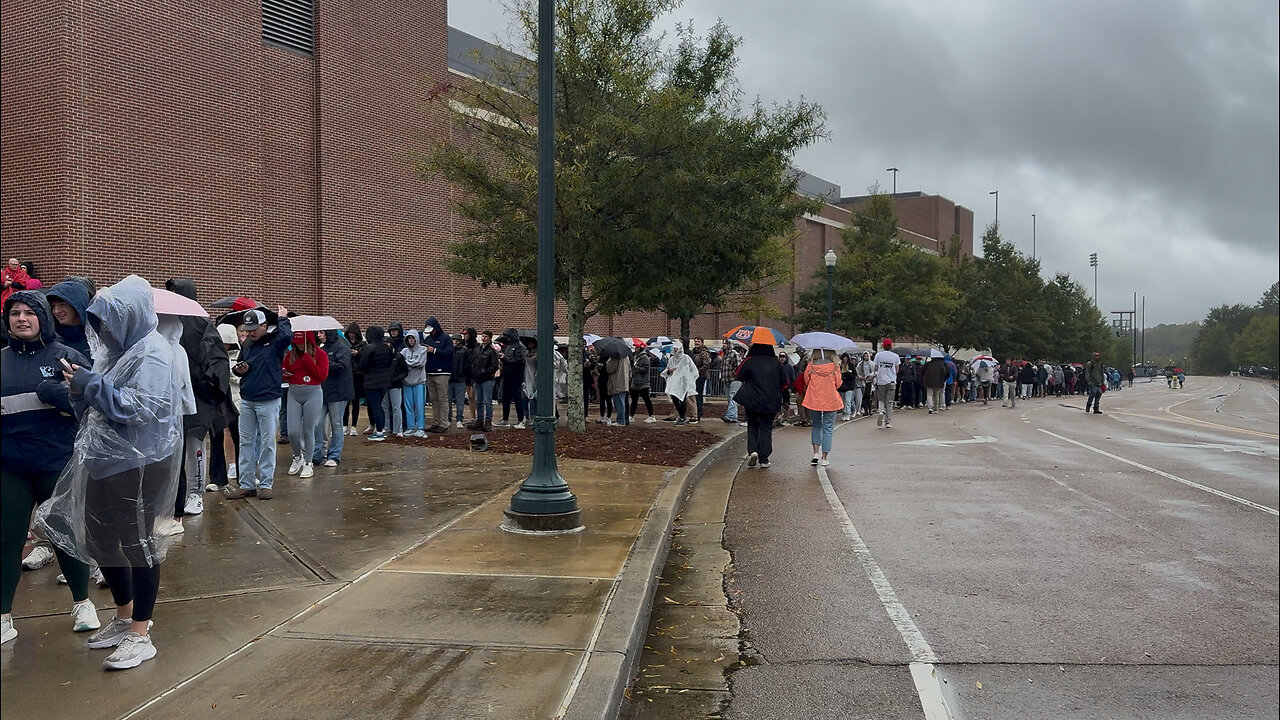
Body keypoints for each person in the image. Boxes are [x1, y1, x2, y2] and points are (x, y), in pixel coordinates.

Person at [36, 274, 186, 670]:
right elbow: (99, 405)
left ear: (130, 315)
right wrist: (80, 389)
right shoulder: (114, 351)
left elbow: (142, 409)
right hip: (104, 460)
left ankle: (141, 632)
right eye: (99, 320)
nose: (103, 328)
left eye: (110, 319)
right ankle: (123, 616)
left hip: (139, 463)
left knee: (138, 543)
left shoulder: (152, 352)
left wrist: (92, 385)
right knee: (100, 538)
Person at [2, 291, 99, 646]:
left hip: (55, 462)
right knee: (7, 539)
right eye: (15, 313)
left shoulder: (67, 358)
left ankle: (82, 603)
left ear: (44, 316)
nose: (22, 318)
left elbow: (92, 408)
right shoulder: (0, 361)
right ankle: (3, 617)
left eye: (29, 312)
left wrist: (60, 394)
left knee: (66, 535)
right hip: (9, 466)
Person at [225, 307, 292, 499]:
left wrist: (282, 319)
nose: (250, 332)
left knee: (267, 443)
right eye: (248, 328)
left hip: (268, 399)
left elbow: (287, 336)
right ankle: (246, 483)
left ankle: (265, 483)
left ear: (265, 326)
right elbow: (238, 367)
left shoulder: (275, 341)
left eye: (254, 328)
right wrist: (239, 370)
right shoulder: (247, 344)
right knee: (246, 442)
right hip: (248, 399)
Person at [283, 331, 329, 478]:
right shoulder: (291, 355)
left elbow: (322, 375)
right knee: (292, 431)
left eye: (302, 342)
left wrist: (308, 360)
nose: (299, 345)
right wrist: (285, 374)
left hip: (313, 393)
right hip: (294, 392)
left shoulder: (321, 354)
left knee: (309, 430)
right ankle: (298, 457)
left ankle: (308, 463)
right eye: (296, 342)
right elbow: (284, 371)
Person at [734, 343, 784, 468]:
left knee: (752, 425)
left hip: (752, 398)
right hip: (771, 399)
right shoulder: (776, 362)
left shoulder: (750, 360)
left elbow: (738, 374)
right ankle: (764, 458)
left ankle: (753, 451)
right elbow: (785, 382)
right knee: (766, 428)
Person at [207, 324, 242, 488]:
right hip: (217, 402)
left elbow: (243, 377)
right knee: (216, 439)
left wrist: (229, 374)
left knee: (239, 438)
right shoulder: (211, 355)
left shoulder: (239, 354)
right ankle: (217, 478)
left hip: (236, 401)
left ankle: (245, 475)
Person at [314, 328, 353, 465]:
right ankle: (317, 453)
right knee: (318, 423)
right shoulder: (321, 349)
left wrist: (325, 364)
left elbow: (342, 366)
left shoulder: (341, 349)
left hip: (338, 392)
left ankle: (334, 455)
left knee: (336, 423)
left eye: (321, 332)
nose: (319, 335)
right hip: (323, 391)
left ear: (328, 333)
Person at [802, 351, 842, 466]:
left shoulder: (811, 365)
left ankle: (815, 453)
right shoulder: (835, 367)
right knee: (828, 428)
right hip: (830, 399)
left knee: (816, 425)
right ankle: (824, 457)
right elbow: (838, 384)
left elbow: (806, 380)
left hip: (814, 398)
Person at [358, 326, 395, 441]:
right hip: (384, 381)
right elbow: (389, 362)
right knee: (379, 405)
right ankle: (382, 429)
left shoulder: (370, 348)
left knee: (375, 406)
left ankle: (379, 432)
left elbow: (363, 365)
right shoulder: (386, 347)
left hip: (372, 381)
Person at [47, 279, 94, 360]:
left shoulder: (99, 341)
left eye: (62, 304)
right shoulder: (50, 341)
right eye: (53, 306)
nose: (56, 311)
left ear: (77, 306)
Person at [421, 318, 453, 433]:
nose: (431, 332)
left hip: (442, 372)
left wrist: (434, 350)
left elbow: (449, 354)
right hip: (430, 372)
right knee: (434, 399)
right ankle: (436, 422)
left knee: (442, 399)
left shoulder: (446, 338)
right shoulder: (428, 339)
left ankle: (444, 422)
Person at [468, 330, 499, 431]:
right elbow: (473, 361)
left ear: (490, 338)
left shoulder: (491, 350)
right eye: (483, 336)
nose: (483, 338)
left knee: (487, 401)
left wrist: (484, 372)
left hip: (487, 379)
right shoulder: (478, 349)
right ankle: (479, 420)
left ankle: (488, 421)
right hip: (477, 379)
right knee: (479, 401)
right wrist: (474, 372)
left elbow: (494, 365)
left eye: (486, 337)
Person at [496, 329, 528, 428]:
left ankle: (520, 419)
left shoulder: (520, 346)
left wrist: (505, 358)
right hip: (507, 374)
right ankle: (505, 419)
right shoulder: (509, 346)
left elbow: (520, 360)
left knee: (517, 398)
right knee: (505, 398)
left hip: (516, 376)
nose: (507, 338)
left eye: (508, 336)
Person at [662, 341, 698, 426]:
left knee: (683, 399)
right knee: (675, 398)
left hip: (684, 382)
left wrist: (690, 379)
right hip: (674, 383)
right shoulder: (672, 359)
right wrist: (669, 371)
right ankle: (681, 415)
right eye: (674, 348)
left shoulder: (686, 358)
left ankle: (682, 416)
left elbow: (693, 370)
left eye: (677, 348)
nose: (675, 349)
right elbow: (667, 370)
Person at [400, 329, 428, 437]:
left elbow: (420, 363)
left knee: (420, 405)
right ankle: (410, 427)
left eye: (413, 339)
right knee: (408, 405)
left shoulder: (423, 350)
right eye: (409, 339)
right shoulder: (404, 351)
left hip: (419, 381)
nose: (411, 341)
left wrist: (407, 363)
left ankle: (420, 427)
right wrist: (410, 363)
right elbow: (401, 362)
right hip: (407, 381)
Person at [873, 338, 901, 428]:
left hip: (881, 380)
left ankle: (881, 411)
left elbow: (876, 368)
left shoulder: (878, 355)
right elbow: (897, 370)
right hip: (891, 380)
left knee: (881, 399)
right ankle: (888, 421)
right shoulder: (895, 356)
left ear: (883, 346)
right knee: (889, 402)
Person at [344, 324, 366, 435]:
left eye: (353, 333)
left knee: (356, 402)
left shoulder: (362, 345)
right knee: (346, 402)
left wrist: (358, 354)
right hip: (347, 375)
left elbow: (365, 357)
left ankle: (354, 426)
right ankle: (344, 425)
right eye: (350, 333)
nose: (351, 335)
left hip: (357, 375)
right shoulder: (344, 343)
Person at [448, 333, 471, 429]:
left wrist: (464, 375)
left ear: (460, 341)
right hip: (449, 379)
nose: (455, 341)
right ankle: (448, 419)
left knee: (460, 401)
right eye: (453, 339)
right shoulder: (448, 350)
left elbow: (468, 365)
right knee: (447, 401)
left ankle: (459, 419)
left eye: (457, 340)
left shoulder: (464, 351)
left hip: (460, 380)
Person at [630, 347, 656, 423]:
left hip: (643, 383)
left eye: (637, 347)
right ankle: (631, 416)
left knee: (646, 399)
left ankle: (651, 415)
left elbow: (645, 369)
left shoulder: (644, 357)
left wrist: (635, 368)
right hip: (635, 381)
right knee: (634, 400)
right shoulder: (634, 356)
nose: (635, 348)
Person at [606, 351, 632, 425]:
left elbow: (609, 369)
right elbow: (630, 370)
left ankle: (620, 420)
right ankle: (622, 419)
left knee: (619, 403)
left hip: (617, 382)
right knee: (622, 402)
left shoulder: (614, 357)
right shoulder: (626, 357)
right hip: (624, 382)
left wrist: (608, 363)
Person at [722, 344, 745, 424]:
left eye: (725, 343)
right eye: (723, 343)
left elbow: (739, 365)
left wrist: (734, 373)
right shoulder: (725, 354)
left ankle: (729, 415)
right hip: (726, 379)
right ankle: (734, 417)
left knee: (733, 397)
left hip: (734, 379)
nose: (723, 345)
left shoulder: (734, 353)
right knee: (729, 399)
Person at [691, 337, 711, 422]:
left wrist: (697, 372)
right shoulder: (692, 352)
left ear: (702, 342)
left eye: (698, 341)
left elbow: (706, 365)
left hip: (700, 376)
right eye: (695, 341)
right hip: (692, 376)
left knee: (698, 395)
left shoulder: (704, 353)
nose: (697, 343)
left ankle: (699, 413)